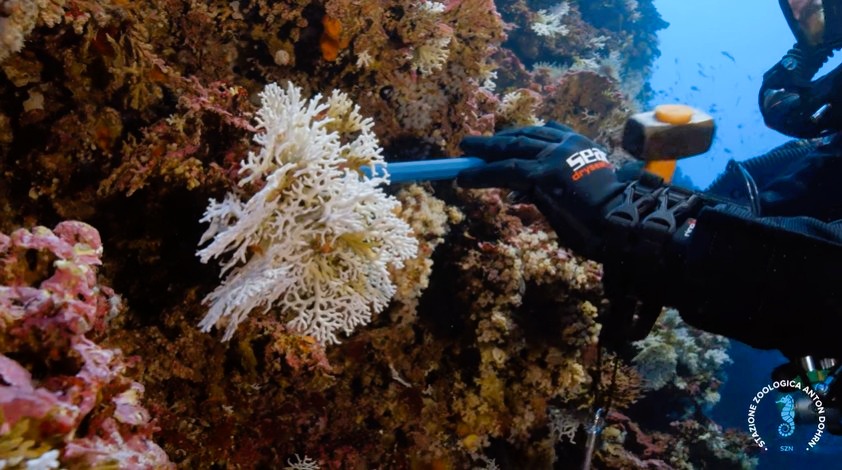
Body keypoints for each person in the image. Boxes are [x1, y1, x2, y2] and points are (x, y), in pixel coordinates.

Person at [457, 0, 842, 431]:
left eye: (821, 8)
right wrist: (655, 218)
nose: (805, 11)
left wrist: (635, 219)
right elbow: (755, 217)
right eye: (802, 8)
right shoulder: (820, 157)